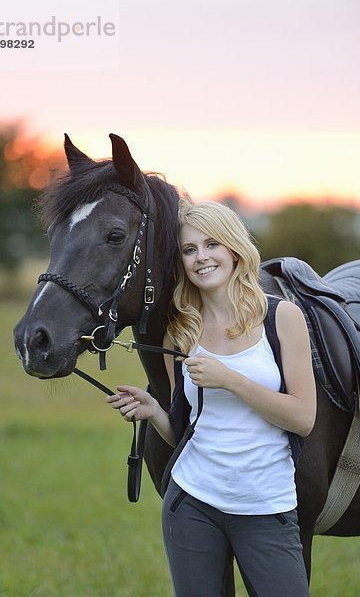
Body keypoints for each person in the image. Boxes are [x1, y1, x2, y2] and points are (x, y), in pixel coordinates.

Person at [106, 198, 316, 596]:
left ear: (234, 248)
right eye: (189, 250)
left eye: (211, 244)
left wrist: (230, 379)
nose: (201, 258)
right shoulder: (181, 334)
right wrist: (153, 410)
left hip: (266, 508)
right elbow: (187, 433)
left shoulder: (281, 318)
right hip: (193, 505)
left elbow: (303, 418)